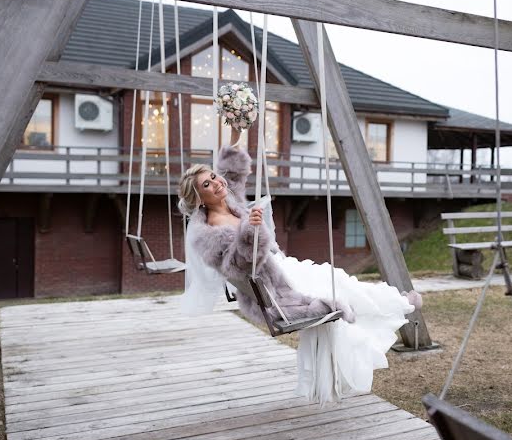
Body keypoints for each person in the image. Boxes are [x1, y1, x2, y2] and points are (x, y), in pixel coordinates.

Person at [177, 127, 421, 404]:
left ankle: (394, 300)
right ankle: (396, 303)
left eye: (212, 177)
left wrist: (235, 133)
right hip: (275, 289)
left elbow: (232, 174)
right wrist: (250, 231)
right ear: (198, 198)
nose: (216, 183)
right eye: (206, 185)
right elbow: (238, 267)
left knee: (336, 276)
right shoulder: (206, 233)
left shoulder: (230, 202)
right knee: (336, 286)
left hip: (280, 268)